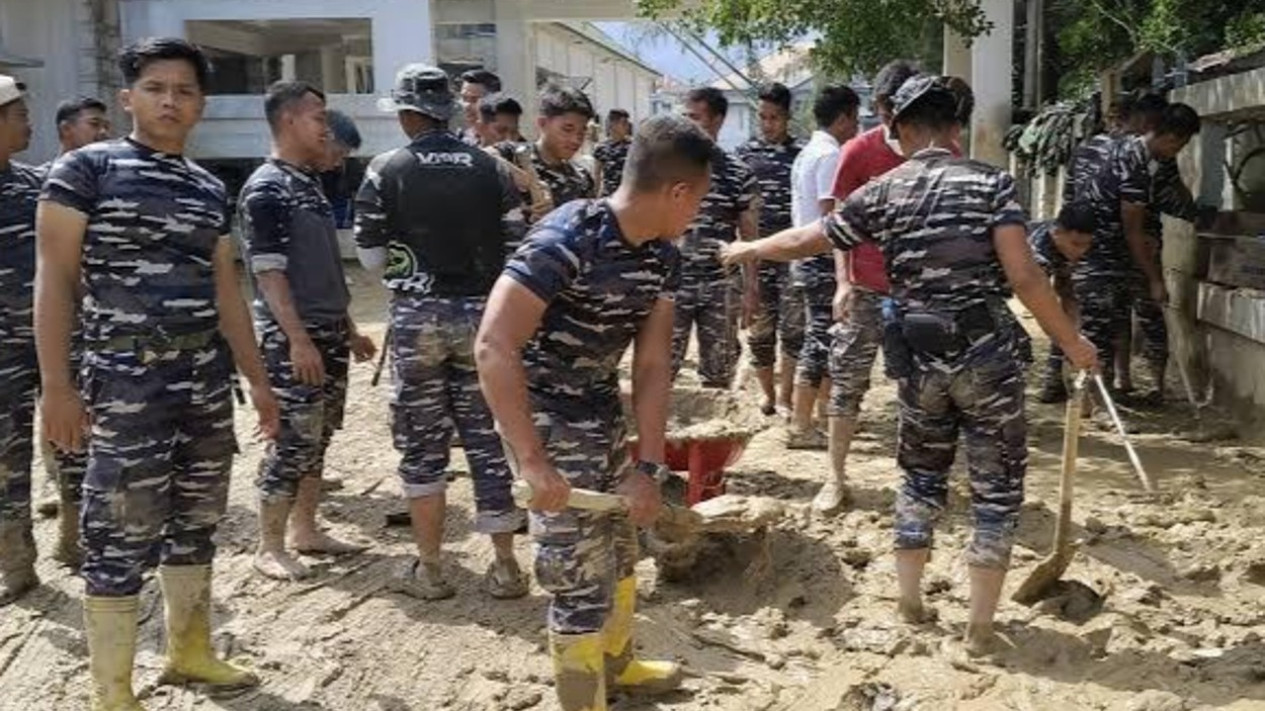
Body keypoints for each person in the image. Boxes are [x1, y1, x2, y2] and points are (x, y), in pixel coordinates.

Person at [721, 75, 1098, 657]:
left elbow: (809, 238)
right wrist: (1072, 343)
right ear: (955, 129)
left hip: (918, 358)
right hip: (986, 360)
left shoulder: (884, 188)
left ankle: (911, 603)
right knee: (996, 494)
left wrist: (747, 248)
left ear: (898, 131)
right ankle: (977, 629)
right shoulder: (991, 184)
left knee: (920, 480)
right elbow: (1024, 277)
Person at [37, 38, 280, 708]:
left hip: (202, 379)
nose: (169, 101)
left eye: (184, 90)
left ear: (200, 105)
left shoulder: (207, 187)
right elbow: (53, 280)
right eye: (155, 87)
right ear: (128, 97)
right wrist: (56, 386)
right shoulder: (86, 170)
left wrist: (257, 380)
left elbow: (227, 289)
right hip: (123, 379)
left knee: (196, 517)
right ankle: (111, 692)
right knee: (118, 529)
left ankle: (190, 650)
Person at [476, 114, 713, 710]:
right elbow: (494, 344)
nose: (698, 214)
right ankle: (583, 699)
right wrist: (531, 461)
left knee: (620, 547)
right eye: (699, 200)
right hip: (547, 419)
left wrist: (651, 466)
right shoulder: (567, 238)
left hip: (601, 411)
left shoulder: (663, 256)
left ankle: (619, 665)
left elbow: (655, 364)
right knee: (576, 574)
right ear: (678, 192)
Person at [356, 63, 527, 601]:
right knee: (486, 439)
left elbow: (369, 258)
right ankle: (505, 569)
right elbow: (517, 246)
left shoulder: (386, 169)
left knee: (422, 443)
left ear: (407, 114)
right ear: (452, 111)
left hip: (416, 320)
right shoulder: (492, 168)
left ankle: (430, 570)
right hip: (482, 319)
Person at [238, 82, 377, 581]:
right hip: (293, 340)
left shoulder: (308, 184)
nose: (325, 126)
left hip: (327, 332)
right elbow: (269, 273)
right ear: (290, 121)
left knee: (319, 437)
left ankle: (306, 530)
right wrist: (297, 338)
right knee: (293, 440)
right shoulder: (267, 187)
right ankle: (269, 544)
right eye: (318, 117)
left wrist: (349, 328)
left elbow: (320, 271)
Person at [814, 62, 915, 508]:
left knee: (924, 386)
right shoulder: (857, 152)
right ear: (879, 107)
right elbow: (838, 225)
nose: (899, 116)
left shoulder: (943, 151)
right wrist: (842, 281)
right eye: (892, 107)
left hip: (918, 292)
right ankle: (835, 478)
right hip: (867, 287)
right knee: (847, 382)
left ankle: (920, 482)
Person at [1064, 102, 1201, 408]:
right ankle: (1095, 406)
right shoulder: (1136, 166)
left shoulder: (1107, 145)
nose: (1176, 153)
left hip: (1084, 250)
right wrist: (1154, 279)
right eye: (1180, 145)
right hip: (1102, 256)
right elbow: (1133, 231)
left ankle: (1094, 403)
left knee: (1097, 329)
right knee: (1099, 333)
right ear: (1172, 138)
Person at [31, 95, 115, 562]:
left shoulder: (109, 185)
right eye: (94, 125)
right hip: (50, 323)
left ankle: (81, 523)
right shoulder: (42, 184)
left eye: (107, 126)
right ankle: (69, 524)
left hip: (97, 327)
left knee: (89, 422)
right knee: (58, 417)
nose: (103, 133)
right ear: (66, 132)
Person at [674, 86, 759, 388]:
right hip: (674, 282)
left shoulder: (737, 172)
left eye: (694, 117)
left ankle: (711, 436)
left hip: (720, 285)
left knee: (719, 372)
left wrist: (751, 288)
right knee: (661, 367)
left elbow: (749, 236)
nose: (687, 124)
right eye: (685, 117)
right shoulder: (668, 167)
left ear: (718, 120)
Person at [736, 83, 806, 418]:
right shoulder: (744, 155)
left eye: (774, 117)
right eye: (762, 117)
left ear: (787, 117)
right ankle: (767, 393)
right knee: (760, 330)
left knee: (794, 329)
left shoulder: (801, 155)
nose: (767, 124)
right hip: (756, 254)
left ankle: (786, 396)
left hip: (791, 252)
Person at [0, 74, 43, 606]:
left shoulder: (37, 186)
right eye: (18, 114)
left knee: (77, 447)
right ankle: (15, 564)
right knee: (7, 460)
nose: (29, 122)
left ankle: (79, 542)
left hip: (57, 342)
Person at [530, 84, 598, 208]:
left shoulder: (581, 178)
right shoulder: (514, 158)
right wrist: (524, 178)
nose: (576, 140)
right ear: (543, 123)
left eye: (582, 131)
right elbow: (488, 156)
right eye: (567, 129)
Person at [593, 108, 632, 197]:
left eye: (627, 123)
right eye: (623, 123)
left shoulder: (633, 146)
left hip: (628, 196)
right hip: (609, 195)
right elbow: (597, 175)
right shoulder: (601, 148)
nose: (627, 127)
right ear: (613, 124)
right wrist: (594, 197)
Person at [459, 69, 501, 145]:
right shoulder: (461, 137)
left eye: (474, 99)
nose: (467, 106)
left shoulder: (504, 138)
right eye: (464, 98)